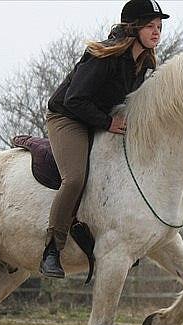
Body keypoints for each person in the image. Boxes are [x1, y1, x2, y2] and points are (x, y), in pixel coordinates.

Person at [40, 0, 169, 278]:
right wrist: (109, 122)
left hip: (98, 118)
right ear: (133, 28)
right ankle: (52, 249)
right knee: (74, 179)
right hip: (68, 117)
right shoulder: (104, 56)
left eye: (159, 26)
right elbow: (75, 100)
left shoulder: (145, 61)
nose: (157, 32)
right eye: (150, 26)